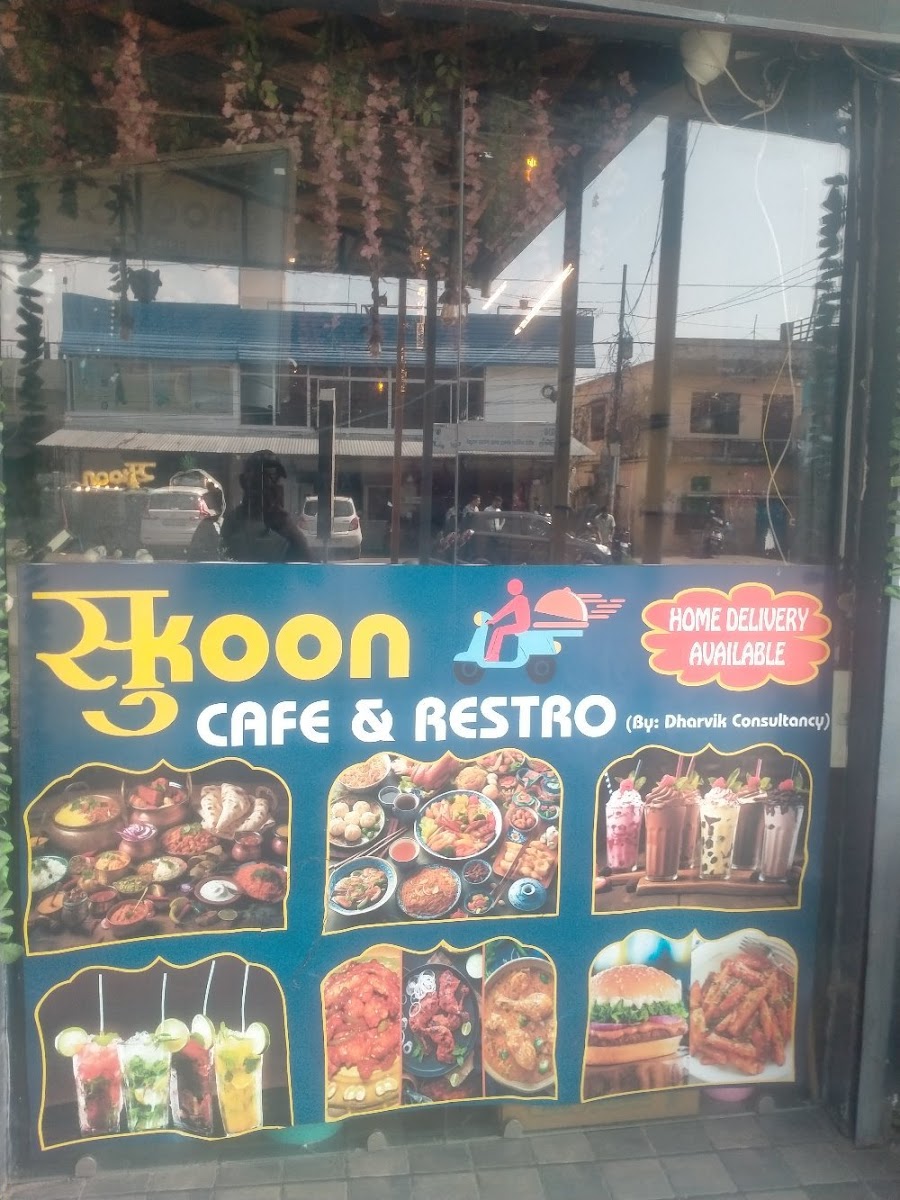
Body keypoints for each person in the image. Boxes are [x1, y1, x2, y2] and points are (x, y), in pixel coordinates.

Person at [485, 579, 531, 662]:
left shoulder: (519, 599)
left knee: (499, 631)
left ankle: (493, 657)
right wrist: (492, 621)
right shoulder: (522, 599)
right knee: (498, 630)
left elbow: (505, 610)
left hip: (522, 625)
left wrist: (492, 621)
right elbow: (505, 610)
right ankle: (490, 656)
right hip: (523, 624)